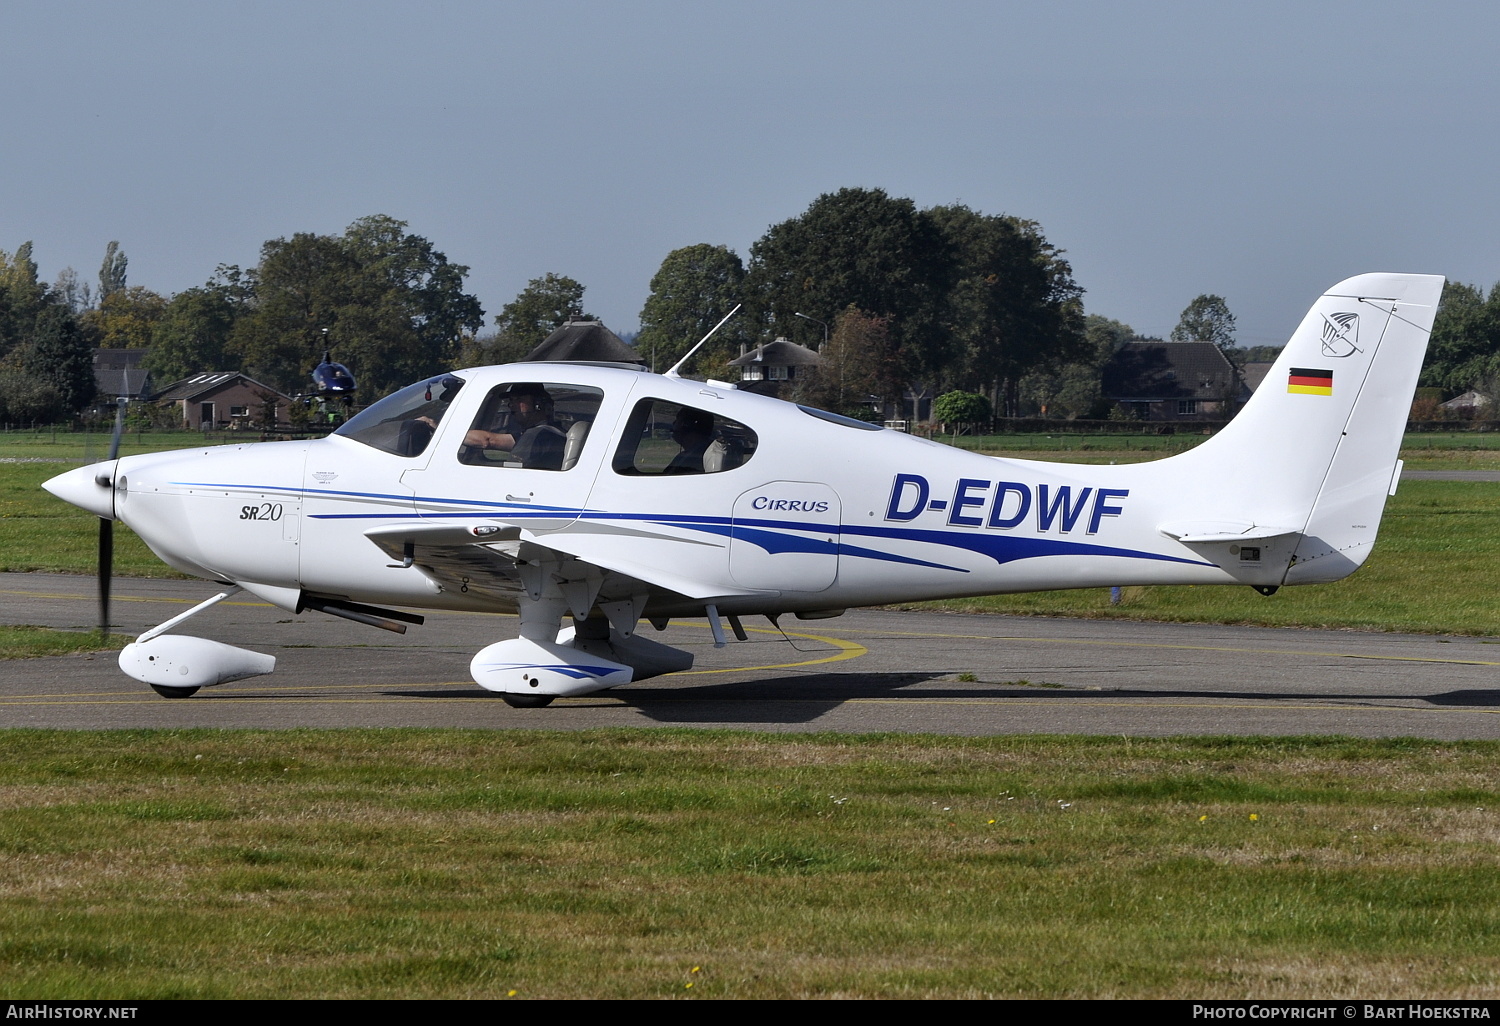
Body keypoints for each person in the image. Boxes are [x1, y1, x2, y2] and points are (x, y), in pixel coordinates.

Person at [463, 383, 566, 470]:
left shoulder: (536, 436)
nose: (512, 405)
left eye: (519, 399)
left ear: (538, 404)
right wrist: (455, 434)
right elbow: (488, 441)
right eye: (511, 400)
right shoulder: (548, 433)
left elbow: (512, 474)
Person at [663, 407, 715, 474]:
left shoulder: (695, 459)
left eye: (678, 420)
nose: (673, 423)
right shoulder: (691, 453)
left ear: (686, 425)